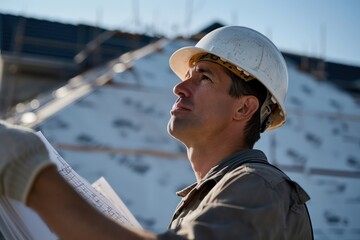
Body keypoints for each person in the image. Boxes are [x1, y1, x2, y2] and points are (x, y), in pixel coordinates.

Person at [0, 26, 313, 239]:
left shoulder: (260, 187)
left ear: (244, 109)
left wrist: (34, 178)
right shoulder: (220, 193)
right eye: (186, 77)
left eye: (203, 78)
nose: (178, 87)